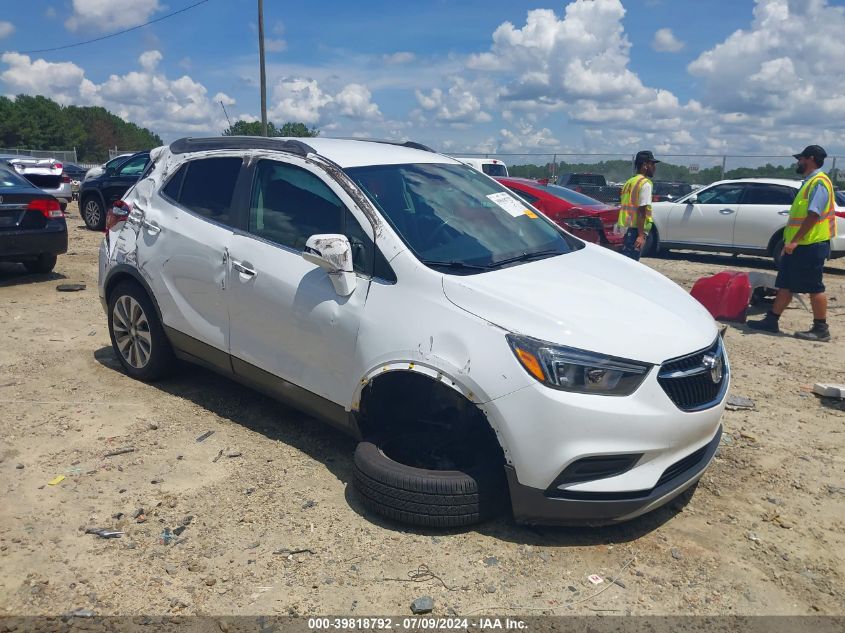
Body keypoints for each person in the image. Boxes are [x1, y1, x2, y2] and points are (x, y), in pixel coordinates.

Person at [747, 145, 836, 342]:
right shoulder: (809, 182)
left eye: (801, 159)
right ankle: (771, 320)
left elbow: (814, 215)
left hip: (810, 245)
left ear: (810, 159)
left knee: (814, 287)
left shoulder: (819, 182)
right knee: (785, 284)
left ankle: (821, 328)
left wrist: (795, 241)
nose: (798, 162)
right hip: (797, 245)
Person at [617, 150, 659, 261]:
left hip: (624, 229)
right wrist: (641, 235)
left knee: (625, 262)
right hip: (635, 231)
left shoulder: (629, 182)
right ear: (645, 165)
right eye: (652, 164)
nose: (654, 167)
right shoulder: (645, 184)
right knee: (631, 265)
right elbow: (642, 210)